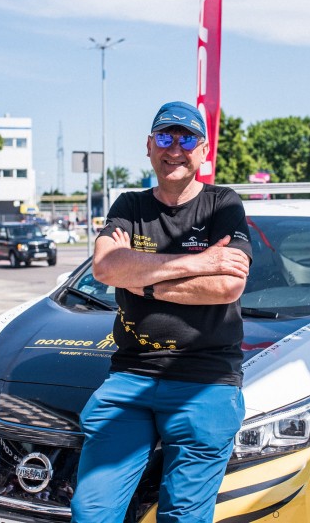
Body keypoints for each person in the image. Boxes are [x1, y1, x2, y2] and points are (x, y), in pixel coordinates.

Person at [71, 101, 252, 522]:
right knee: (91, 512)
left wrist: (142, 279)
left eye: (186, 139)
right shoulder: (129, 206)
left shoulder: (222, 204)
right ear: (149, 146)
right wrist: (200, 262)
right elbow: (106, 267)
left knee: (183, 517)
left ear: (203, 150)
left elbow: (227, 285)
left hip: (205, 381)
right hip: (130, 377)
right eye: (165, 137)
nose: (175, 149)